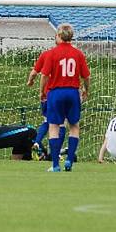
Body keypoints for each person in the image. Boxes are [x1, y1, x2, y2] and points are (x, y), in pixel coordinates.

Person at [39, 23, 90, 172]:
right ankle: (69, 160)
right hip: (73, 92)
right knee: (74, 126)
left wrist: (42, 92)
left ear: (59, 36)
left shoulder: (52, 53)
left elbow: (44, 75)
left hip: (56, 92)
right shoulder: (78, 54)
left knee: (53, 127)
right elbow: (86, 76)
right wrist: (86, 90)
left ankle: (55, 165)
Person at [26, 37, 66, 159]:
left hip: (46, 94)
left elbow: (34, 73)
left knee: (47, 121)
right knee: (61, 125)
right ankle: (56, 152)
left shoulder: (46, 54)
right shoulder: (70, 55)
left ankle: (37, 142)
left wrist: (30, 81)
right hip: (62, 93)